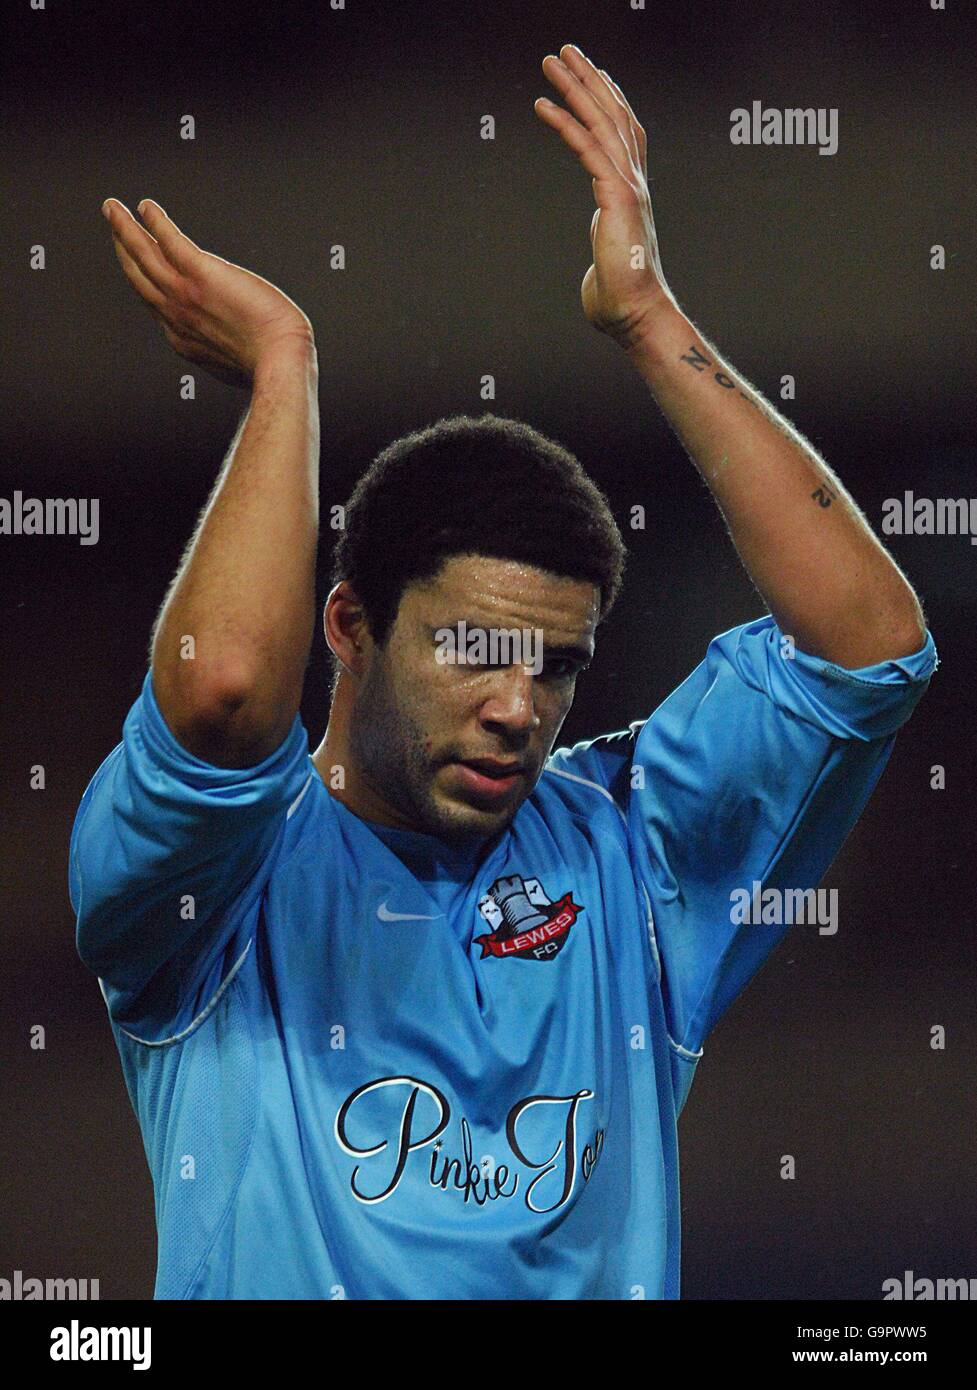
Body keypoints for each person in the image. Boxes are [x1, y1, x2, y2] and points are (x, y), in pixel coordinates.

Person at [70, 45, 936, 1299]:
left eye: (557, 665)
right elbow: (219, 694)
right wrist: (282, 371)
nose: (517, 706)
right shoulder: (220, 883)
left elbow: (867, 646)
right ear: (348, 624)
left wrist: (647, 318)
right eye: (473, 649)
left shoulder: (630, 856)